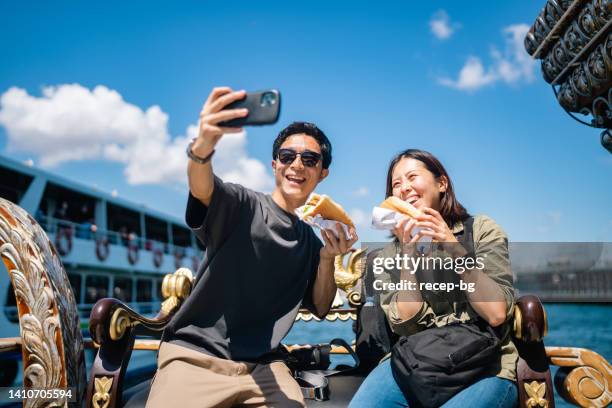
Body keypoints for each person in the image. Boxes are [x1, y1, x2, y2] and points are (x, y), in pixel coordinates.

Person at [146, 87, 358, 408]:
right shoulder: (242, 204)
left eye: (309, 159)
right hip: (195, 356)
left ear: (322, 173)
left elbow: (322, 306)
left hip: (265, 364)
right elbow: (202, 186)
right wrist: (203, 146)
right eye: (287, 156)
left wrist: (328, 258)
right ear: (275, 165)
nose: (297, 164)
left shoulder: (313, 241)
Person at [349, 149, 518, 408]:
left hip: (485, 363)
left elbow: (495, 313)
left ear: (441, 183)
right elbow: (406, 323)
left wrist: (452, 245)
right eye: (396, 184)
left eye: (412, 177)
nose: (404, 188)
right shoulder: (389, 254)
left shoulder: (482, 230)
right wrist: (408, 254)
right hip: (415, 360)